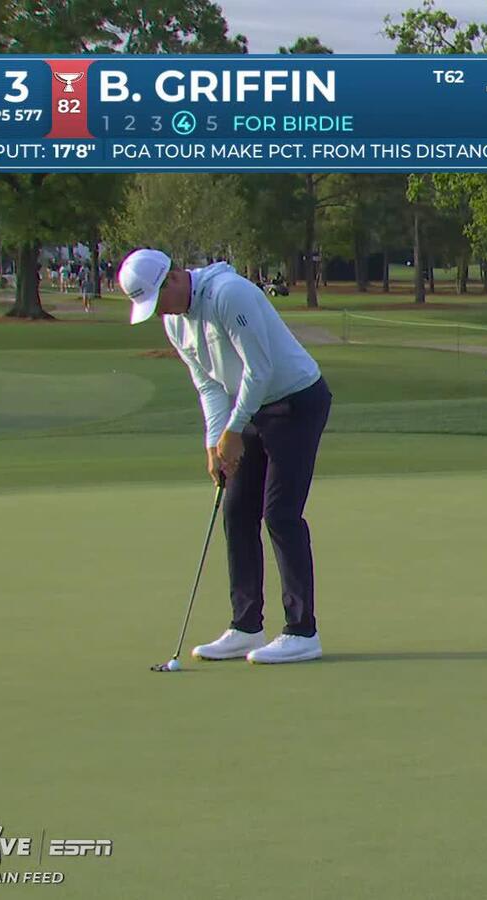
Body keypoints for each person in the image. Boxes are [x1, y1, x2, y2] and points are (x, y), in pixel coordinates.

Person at [119, 248, 332, 665]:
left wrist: (234, 431)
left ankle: (302, 631)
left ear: (174, 278)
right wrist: (215, 442)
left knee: (280, 513)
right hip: (249, 407)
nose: (160, 311)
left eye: (159, 300)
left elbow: (260, 368)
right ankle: (246, 625)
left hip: (296, 401)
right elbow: (209, 386)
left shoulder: (229, 294)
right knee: (235, 511)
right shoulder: (175, 324)